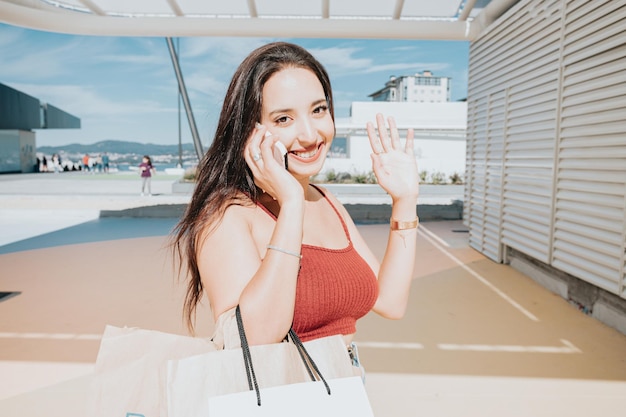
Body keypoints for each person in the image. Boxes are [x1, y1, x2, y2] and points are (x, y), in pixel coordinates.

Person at [172, 42, 419, 355]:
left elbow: (390, 302)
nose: (310, 135)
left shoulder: (324, 200)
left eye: (318, 110)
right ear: (251, 131)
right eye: (283, 119)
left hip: (345, 384)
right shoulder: (229, 215)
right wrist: (290, 204)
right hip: (281, 397)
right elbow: (255, 338)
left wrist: (405, 200)